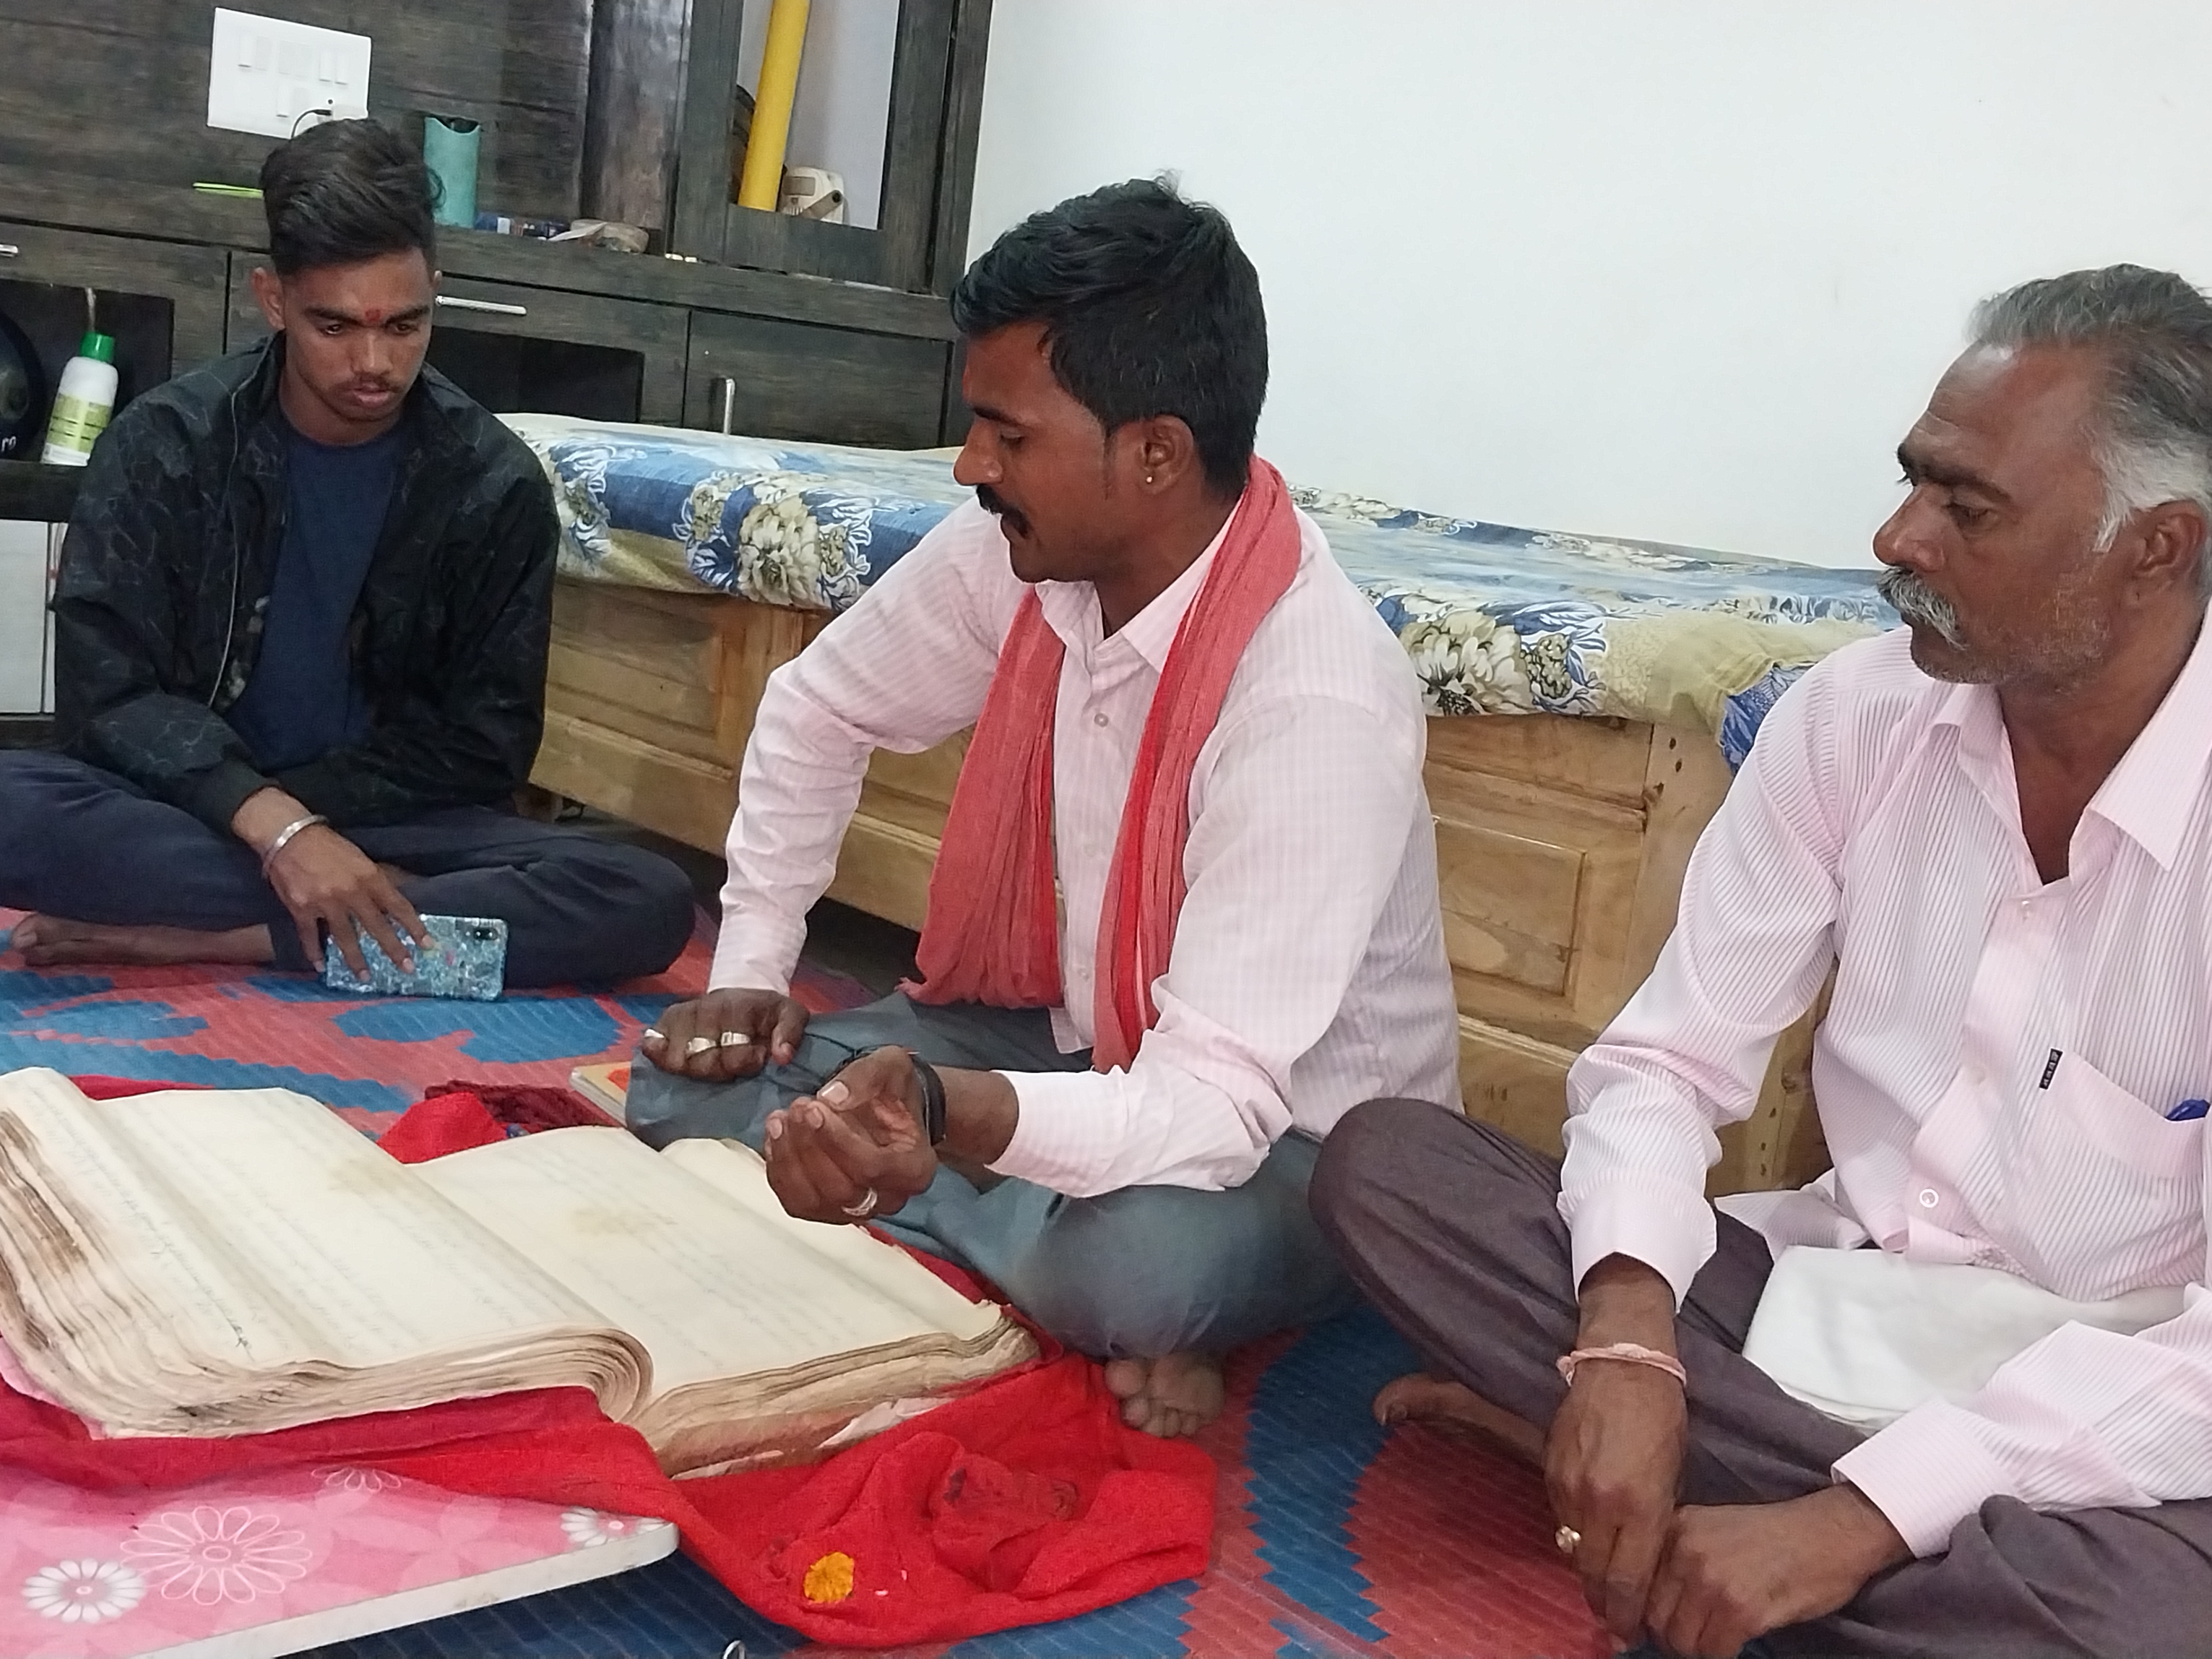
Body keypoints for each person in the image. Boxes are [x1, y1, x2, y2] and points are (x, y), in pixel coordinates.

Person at [1312, 262, 2212, 1659]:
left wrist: (1856, 1519)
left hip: (2107, 1398)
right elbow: (1667, 1064)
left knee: (2161, 1611)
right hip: (1814, 1307)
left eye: (1966, 508)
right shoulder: (1852, 719)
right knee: (1387, 1171)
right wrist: (1625, 1341)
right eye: (1912, 481)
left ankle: (1727, 1525)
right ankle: (1784, 1549)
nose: (1897, 538)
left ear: (2154, 546)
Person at [628, 178, 1461, 1438]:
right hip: (1078, 1043)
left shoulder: (1315, 698)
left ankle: (1042, 1252)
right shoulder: (1019, 557)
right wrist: (751, 970)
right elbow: (818, 707)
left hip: (1296, 1140)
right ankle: (1022, 1241)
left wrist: (934, 1116)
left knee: (1131, 1269)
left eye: (1005, 436)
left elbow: (1213, 1104)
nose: (970, 467)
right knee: (679, 1088)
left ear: (1154, 454)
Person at [0, 118, 694, 989]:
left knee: (646, 897)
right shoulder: (166, 445)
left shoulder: (492, 483)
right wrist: (277, 828)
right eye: (334, 326)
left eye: (405, 324)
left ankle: (231, 936)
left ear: (435, 291)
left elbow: (486, 743)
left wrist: (321, 831)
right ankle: (391, 915)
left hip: (391, 821)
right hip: (204, 804)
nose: (374, 361)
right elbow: (109, 694)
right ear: (273, 298)